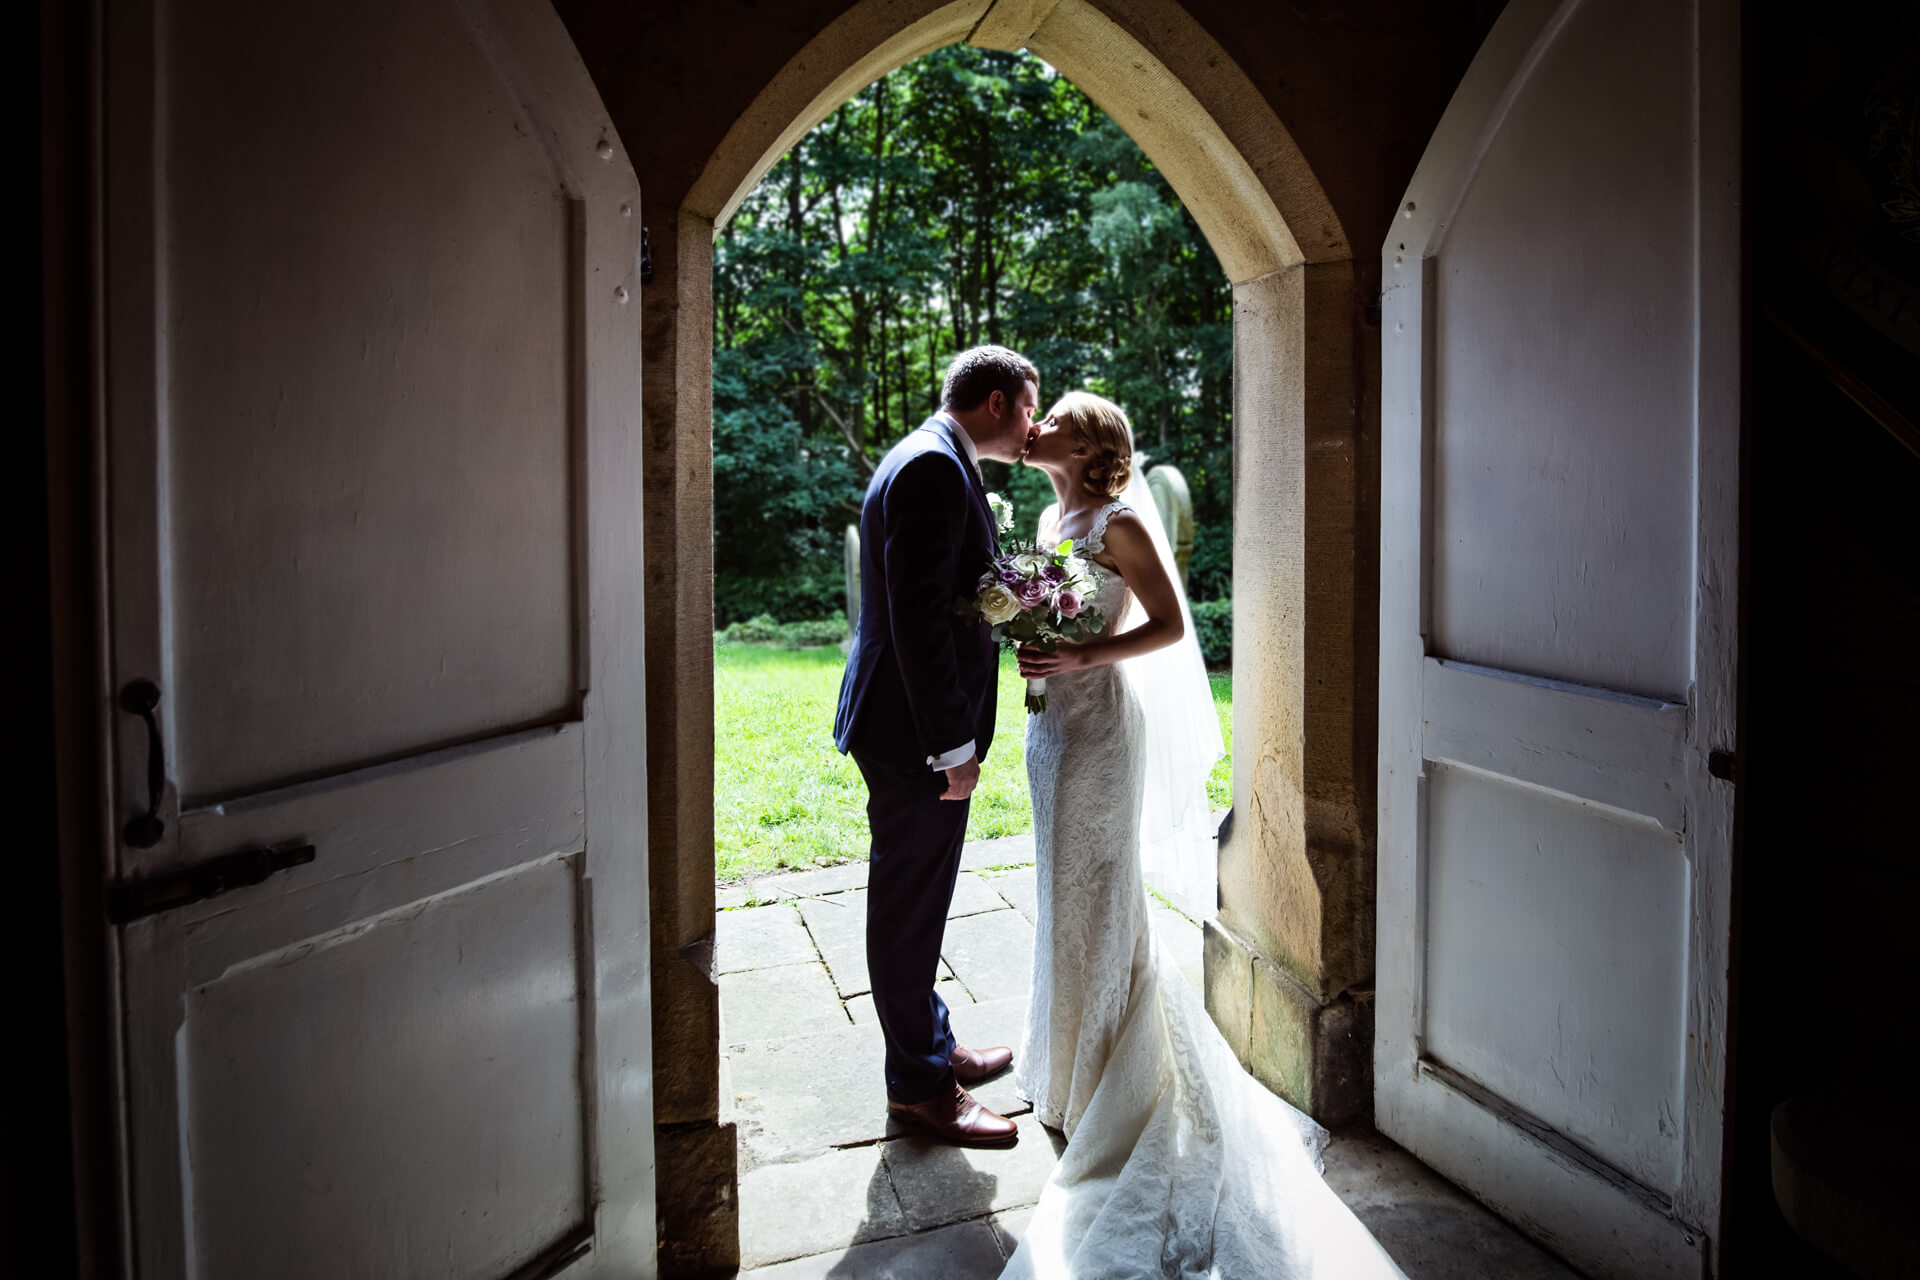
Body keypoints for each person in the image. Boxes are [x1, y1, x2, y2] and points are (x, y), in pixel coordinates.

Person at [1005, 391, 1406, 1277]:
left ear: (1091, 441)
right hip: (1051, 726)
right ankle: (1069, 1063)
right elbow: (1053, 607)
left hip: (1102, 727)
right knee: (1057, 891)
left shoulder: (1117, 523)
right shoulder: (1047, 509)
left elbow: (1169, 626)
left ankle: (1121, 1076)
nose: (1038, 428)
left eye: (1056, 419)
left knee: (1099, 889)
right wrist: (1034, 636)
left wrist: (1078, 655)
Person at [833, 345, 1039, 1146]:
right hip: (912, 729)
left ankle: (932, 1045)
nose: (1032, 425)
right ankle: (919, 1091)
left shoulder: (935, 455)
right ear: (995, 402)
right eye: (1028, 408)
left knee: (919, 898)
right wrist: (952, 744)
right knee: (909, 907)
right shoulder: (934, 467)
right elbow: (920, 620)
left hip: (902, 719)